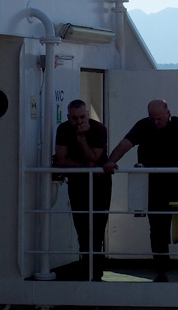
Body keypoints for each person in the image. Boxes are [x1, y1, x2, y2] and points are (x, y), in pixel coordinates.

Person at [104, 99, 178, 282]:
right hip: (152, 183)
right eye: (153, 119)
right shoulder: (144, 125)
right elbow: (125, 144)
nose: (156, 123)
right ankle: (161, 268)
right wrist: (111, 161)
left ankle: (162, 267)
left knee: (159, 219)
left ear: (168, 113)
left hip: (177, 182)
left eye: (159, 119)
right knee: (157, 224)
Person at [54, 99, 111, 280]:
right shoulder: (63, 130)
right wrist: (85, 167)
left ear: (87, 114)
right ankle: (86, 270)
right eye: (74, 118)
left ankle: (95, 274)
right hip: (78, 184)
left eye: (82, 117)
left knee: (98, 228)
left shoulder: (99, 129)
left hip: (100, 185)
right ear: (68, 117)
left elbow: (93, 158)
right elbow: (62, 161)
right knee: (82, 228)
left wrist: (81, 138)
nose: (79, 122)